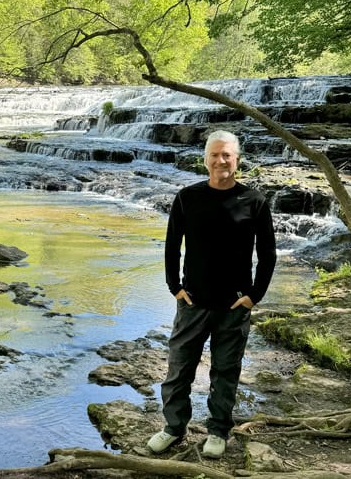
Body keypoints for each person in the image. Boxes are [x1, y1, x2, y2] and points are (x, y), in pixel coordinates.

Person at [147, 130, 277, 458]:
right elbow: (172, 245)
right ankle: (174, 428)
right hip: (193, 302)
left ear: (237, 160)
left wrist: (254, 295)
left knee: (226, 372)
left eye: (227, 155)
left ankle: (218, 430)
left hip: (234, 305)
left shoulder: (255, 201)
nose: (221, 161)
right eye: (215, 155)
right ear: (205, 159)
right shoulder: (188, 198)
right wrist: (173, 286)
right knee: (178, 371)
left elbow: (268, 253)